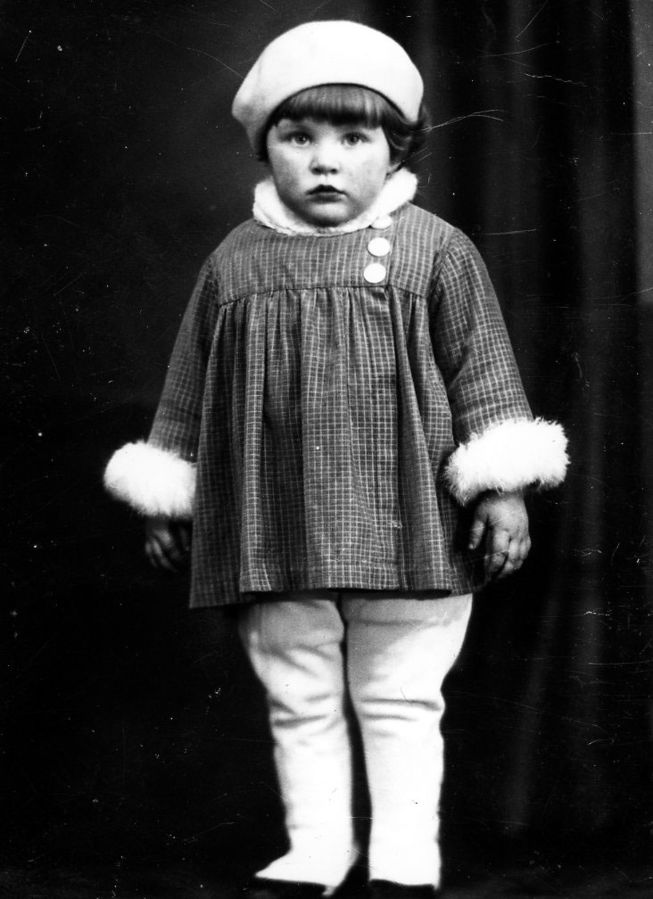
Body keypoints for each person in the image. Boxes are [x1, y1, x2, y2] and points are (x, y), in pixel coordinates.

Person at [103, 20, 568, 899]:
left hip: (410, 520)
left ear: (395, 149)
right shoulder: (233, 263)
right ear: (265, 146)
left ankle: (402, 860)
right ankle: (317, 850)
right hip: (271, 518)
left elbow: (483, 371)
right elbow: (187, 386)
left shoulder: (436, 250)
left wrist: (502, 487)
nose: (324, 160)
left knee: (399, 694)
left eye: (353, 138)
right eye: (298, 136)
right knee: (298, 691)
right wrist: (166, 493)